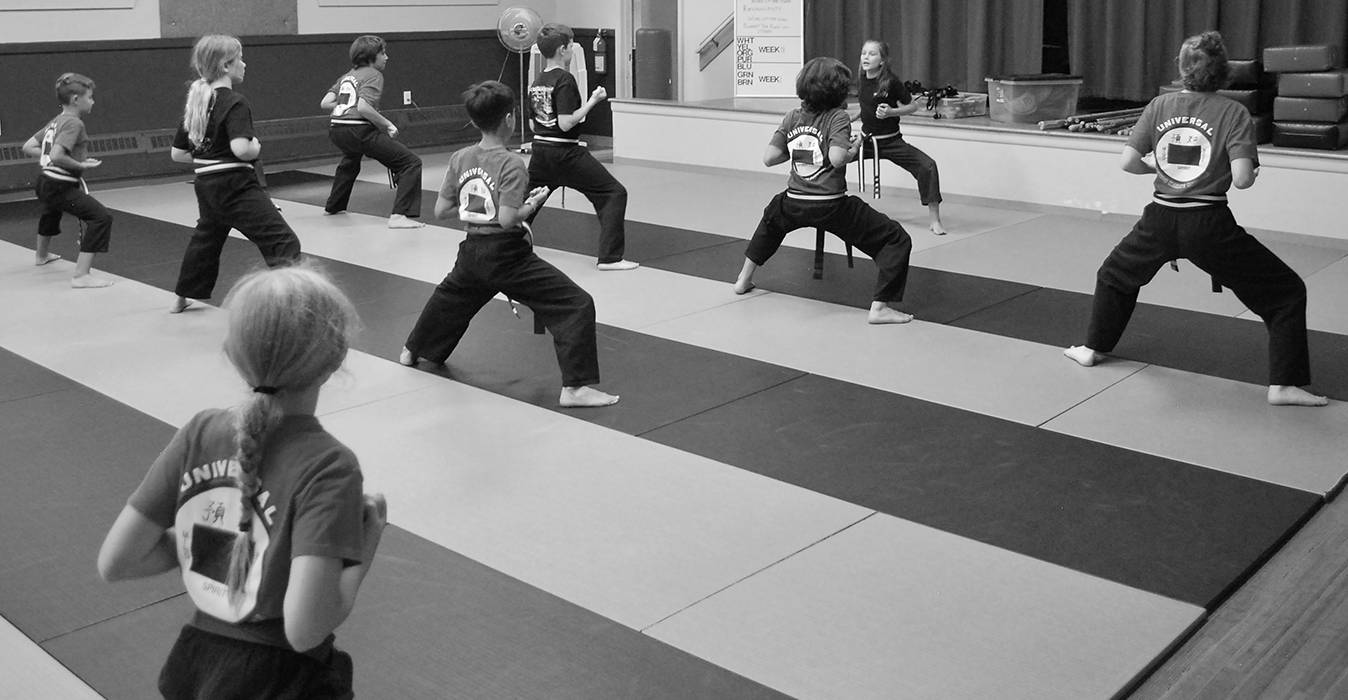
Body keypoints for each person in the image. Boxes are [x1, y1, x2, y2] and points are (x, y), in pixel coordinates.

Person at [97, 263, 387, 698]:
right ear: (336, 359)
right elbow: (305, 630)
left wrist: (211, 545)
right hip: (279, 681)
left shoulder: (200, 432)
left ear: (232, 354)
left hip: (194, 666)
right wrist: (364, 548)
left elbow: (117, 562)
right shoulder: (329, 466)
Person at [1064, 31, 1327, 407]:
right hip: (1208, 224)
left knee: (1113, 276)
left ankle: (1092, 348)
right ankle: (1285, 384)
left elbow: (1128, 162)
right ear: (1224, 72)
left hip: (1159, 219)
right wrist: (1251, 170)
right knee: (1286, 293)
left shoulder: (1159, 105)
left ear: (1181, 69)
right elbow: (1242, 180)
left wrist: (1156, 168)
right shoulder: (1233, 112)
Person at [400, 80, 619, 408]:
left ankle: (412, 350)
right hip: (506, 255)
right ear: (509, 118)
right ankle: (575, 388)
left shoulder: (460, 157)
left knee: (450, 299)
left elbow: (441, 210)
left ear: (474, 120)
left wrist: (479, 208)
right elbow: (506, 219)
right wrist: (531, 204)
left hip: (471, 252)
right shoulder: (511, 163)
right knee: (576, 304)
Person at [733, 56, 916, 325]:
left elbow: (769, 158)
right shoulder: (837, 117)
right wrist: (854, 148)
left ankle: (743, 279)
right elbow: (838, 158)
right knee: (896, 238)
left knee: (772, 219)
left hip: (794, 201)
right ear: (837, 91)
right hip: (830, 205)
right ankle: (880, 308)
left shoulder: (792, 116)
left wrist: (803, 149)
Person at [169, 34, 302, 314]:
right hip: (236, 185)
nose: (244, 64)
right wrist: (256, 146)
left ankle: (182, 295)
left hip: (207, 184)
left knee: (207, 239)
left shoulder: (196, 102)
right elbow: (241, 149)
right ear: (226, 66)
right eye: (240, 59)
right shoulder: (235, 102)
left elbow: (178, 153)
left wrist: (210, 156)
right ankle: (293, 302)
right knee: (282, 241)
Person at [525, 23, 637, 271]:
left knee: (527, 203)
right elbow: (566, 123)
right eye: (571, 44)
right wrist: (593, 101)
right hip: (566, 153)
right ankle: (610, 258)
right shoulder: (565, 79)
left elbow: (534, 124)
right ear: (563, 49)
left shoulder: (537, 82)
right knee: (613, 193)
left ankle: (504, 244)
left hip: (540, 152)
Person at [320, 35, 425, 229]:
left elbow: (325, 103)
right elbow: (363, 107)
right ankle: (400, 215)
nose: (386, 57)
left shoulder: (347, 76)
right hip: (358, 129)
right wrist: (388, 124)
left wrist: (348, 104)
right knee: (410, 163)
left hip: (337, 130)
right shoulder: (374, 75)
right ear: (371, 57)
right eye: (382, 53)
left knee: (351, 160)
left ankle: (334, 206)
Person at [22, 73, 114, 287]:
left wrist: (71, 159)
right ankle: (81, 275)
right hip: (59, 185)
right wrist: (80, 165)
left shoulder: (57, 121)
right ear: (76, 99)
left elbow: (29, 146)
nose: (93, 101)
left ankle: (41, 255)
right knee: (101, 217)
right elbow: (56, 155)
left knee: (51, 211)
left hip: (44, 182)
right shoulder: (74, 123)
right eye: (89, 97)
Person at [856, 39, 947, 235]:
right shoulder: (861, 79)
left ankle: (935, 220)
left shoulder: (891, 82)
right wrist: (853, 116)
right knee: (833, 158)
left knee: (928, 166)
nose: (866, 57)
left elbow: (913, 106)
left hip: (891, 142)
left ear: (882, 60)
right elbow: (865, 106)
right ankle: (829, 204)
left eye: (872, 54)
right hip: (867, 141)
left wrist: (892, 112)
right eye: (864, 53)